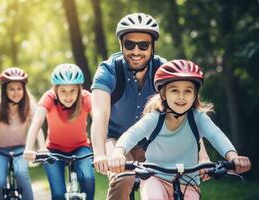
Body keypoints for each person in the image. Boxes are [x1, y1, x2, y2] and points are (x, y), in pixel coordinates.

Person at [91, 13, 210, 199]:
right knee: (123, 179)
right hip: (116, 140)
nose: (136, 51)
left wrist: (202, 155)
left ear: (152, 47)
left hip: (154, 139)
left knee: (177, 180)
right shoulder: (108, 71)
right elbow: (100, 115)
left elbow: (186, 113)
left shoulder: (164, 70)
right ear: (121, 45)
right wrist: (99, 154)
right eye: (129, 44)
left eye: (143, 45)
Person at [108, 60, 252, 200]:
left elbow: (217, 135)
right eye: (174, 90)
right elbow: (131, 134)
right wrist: (118, 153)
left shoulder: (198, 118)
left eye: (188, 91)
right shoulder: (155, 118)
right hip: (155, 178)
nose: (181, 96)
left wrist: (233, 157)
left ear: (195, 94)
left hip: (188, 182)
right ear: (163, 94)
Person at [23, 64, 95, 200]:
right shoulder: (49, 97)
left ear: (79, 89)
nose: (68, 96)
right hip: (54, 149)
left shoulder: (86, 98)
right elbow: (36, 122)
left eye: (73, 91)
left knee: (88, 178)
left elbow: (98, 121)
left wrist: (101, 149)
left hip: (81, 147)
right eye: (63, 91)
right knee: (58, 194)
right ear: (55, 90)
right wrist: (29, 148)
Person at [0, 67, 45, 200]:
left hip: (20, 150)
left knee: (22, 174)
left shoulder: (30, 106)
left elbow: (37, 127)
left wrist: (42, 147)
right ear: (4, 91)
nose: (16, 92)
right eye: (11, 89)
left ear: (24, 89)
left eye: (19, 88)